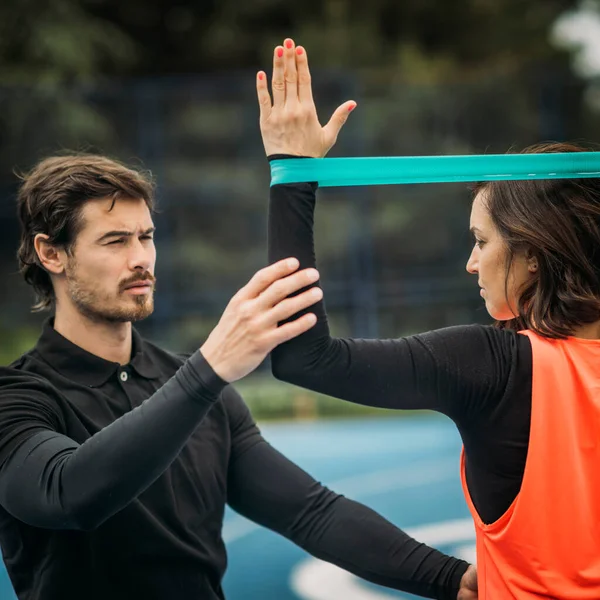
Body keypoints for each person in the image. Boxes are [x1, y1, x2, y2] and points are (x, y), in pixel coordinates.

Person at [0, 153, 478, 600]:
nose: (140, 258)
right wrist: (208, 369)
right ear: (51, 253)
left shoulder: (197, 389)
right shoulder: (19, 397)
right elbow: (68, 495)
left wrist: (452, 579)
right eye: (114, 241)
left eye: (145, 237)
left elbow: (311, 512)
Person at [259, 37, 600, 599]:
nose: (471, 263)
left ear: (534, 254)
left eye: (480, 241)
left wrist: (290, 175)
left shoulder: (495, 366)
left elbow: (303, 356)